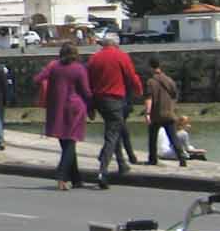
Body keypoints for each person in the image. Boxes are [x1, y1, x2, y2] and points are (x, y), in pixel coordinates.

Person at [87, 32, 144, 189]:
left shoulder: (94, 58)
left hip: (99, 100)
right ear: (116, 43)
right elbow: (132, 77)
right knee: (112, 134)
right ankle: (102, 169)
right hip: (114, 99)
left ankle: (121, 163)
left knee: (114, 130)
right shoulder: (121, 56)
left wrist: (90, 106)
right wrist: (139, 90)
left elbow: (88, 83)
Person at [37, 44, 95, 191]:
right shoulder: (79, 68)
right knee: (70, 143)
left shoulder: (53, 66)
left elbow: (38, 79)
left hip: (57, 108)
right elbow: (86, 91)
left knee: (66, 143)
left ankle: (76, 179)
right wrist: (92, 107)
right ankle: (61, 176)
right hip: (75, 108)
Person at [145, 60, 188, 167]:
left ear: (151, 68)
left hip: (156, 114)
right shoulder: (169, 80)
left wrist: (147, 113)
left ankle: (152, 159)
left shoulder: (151, 82)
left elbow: (149, 98)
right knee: (173, 137)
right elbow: (175, 95)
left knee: (152, 137)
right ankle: (181, 157)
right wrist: (171, 107)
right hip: (169, 114)